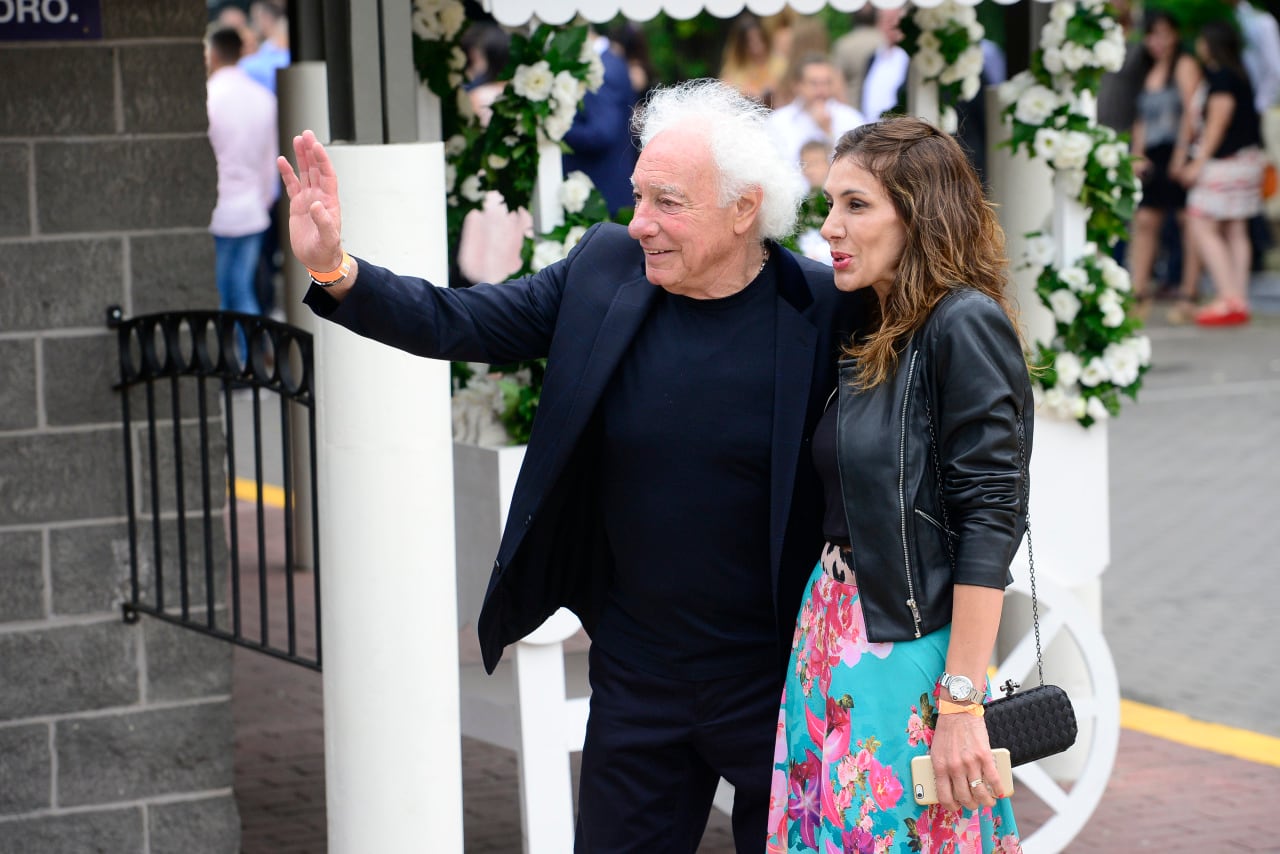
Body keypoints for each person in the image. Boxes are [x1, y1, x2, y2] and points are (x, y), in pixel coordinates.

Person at [277, 79, 873, 853]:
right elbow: (463, 320)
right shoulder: (605, 271)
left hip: (781, 677)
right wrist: (337, 271)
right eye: (638, 198)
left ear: (743, 208)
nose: (641, 224)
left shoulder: (826, 308)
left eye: (668, 203)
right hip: (638, 675)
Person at [769, 117, 1031, 852]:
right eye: (829, 205)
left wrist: (960, 704)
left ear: (920, 214)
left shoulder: (963, 324)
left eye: (856, 205)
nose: (830, 228)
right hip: (832, 628)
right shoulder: (876, 325)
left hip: (909, 645)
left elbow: (991, 518)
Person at [1173, 21, 1265, 326]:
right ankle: (1238, 298)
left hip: (1226, 161)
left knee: (1200, 221)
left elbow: (1217, 122)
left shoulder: (1221, 77)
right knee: (1236, 228)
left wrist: (1198, 162)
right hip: (1248, 158)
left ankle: (1228, 297)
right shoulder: (1240, 73)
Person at [1127, 10, 1203, 322]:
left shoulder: (1184, 65)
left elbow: (1190, 111)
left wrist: (1181, 155)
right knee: (1145, 221)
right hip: (1154, 154)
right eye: (1152, 35)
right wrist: (1137, 153)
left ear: (1174, 35)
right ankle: (1137, 291)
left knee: (1188, 222)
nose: (1157, 42)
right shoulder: (1146, 70)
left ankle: (1189, 291)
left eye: (1163, 34)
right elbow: (1142, 119)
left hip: (1179, 149)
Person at [206, 26, 278, 320]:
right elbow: (268, 159)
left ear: (213, 53)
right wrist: (263, 200)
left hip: (218, 208)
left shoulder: (209, 97)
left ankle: (232, 363)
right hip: (252, 208)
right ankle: (251, 359)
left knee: (223, 293)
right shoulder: (263, 97)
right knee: (244, 289)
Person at [561, 26, 639, 215]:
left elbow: (601, 133)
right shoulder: (612, 60)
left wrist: (558, 129)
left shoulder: (602, 69)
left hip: (602, 187)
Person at [767, 55, 866, 168]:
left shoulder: (851, 118)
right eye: (814, 83)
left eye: (826, 83)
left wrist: (828, 132)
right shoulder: (778, 121)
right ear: (797, 85)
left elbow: (858, 164)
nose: (822, 91)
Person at [719, 12, 782, 106]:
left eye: (760, 40)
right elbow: (725, 96)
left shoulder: (780, 64)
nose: (757, 47)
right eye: (750, 43)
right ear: (741, 46)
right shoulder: (733, 71)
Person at [860, 8, 909, 122]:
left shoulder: (909, 57)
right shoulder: (873, 57)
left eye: (897, 20)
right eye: (887, 20)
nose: (893, 25)